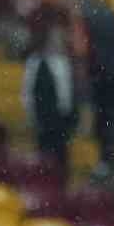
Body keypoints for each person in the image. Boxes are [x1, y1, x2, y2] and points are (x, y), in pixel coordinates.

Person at [65, 0, 114, 171]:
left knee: (99, 127)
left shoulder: (81, 14)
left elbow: (80, 49)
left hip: (98, 77)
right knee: (110, 126)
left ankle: (108, 166)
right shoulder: (110, 11)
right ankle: (112, 166)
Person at [22, 21, 79, 182]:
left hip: (63, 123)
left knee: (62, 161)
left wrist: (72, 118)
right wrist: (33, 116)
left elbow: (70, 94)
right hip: (45, 120)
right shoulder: (36, 62)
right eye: (54, 38)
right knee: (45, 160)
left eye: (61, 38)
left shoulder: (66, 63)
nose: (58, 41)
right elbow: (28, 92)